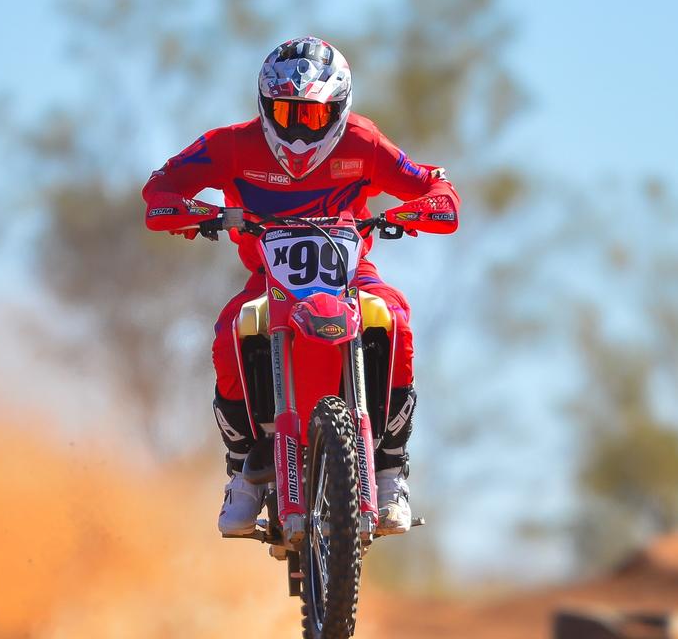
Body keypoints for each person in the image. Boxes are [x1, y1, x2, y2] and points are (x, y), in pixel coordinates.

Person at [141, 36, 460, 536]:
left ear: (338, 109)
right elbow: (159, 191)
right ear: (265, 105)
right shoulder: (229, 144)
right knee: (231, 330)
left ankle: (391, 469)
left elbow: (434, 187)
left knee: (394, 317)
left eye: (311, 116)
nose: (296, 128)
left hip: (352, 278)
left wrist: (421, 207)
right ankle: (243, 471)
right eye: (286, 112)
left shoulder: (365, 142)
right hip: (268, 282)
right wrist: (201, 214)